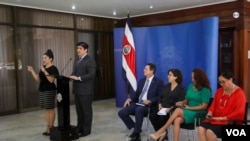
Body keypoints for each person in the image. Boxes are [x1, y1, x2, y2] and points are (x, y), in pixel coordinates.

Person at [150, 68, 211, 141]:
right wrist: (182, 103)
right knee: (177, 120)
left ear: (199, 78)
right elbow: (187, 99)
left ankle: (161, 131)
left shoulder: (205, 89)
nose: (192, 79)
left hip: (199, 112)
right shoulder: (190, 86)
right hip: (188, 109)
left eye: (194, 78)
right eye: (192, 77)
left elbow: (204, 106)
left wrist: (189, 108)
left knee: (178, 110)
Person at [118, 63, 164, 141]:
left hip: (149, 106)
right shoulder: (142, 80)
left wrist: (150, 100)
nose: (144, 70)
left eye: (146, 69)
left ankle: (136, 135)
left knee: (139, 110)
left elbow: (160, 96)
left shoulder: (159, 82)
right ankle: (137, 128)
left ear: (152, 71)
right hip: (138, 103)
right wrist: (130, 99)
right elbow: (136, 94)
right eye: (144, 69)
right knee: (121, 112)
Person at [197, 70, 246, 141]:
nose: (221, 84)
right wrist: (210, 113)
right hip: (215, 119)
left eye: (223, 82)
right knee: (200, 128)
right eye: (220, 82)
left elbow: (239, 112)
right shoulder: (219, 91)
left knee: (210, 132)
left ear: (230, 80)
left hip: (229, 121)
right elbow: (213, 106)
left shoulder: (239, 93)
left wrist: (223, 118)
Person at [27, 49, 59, 136]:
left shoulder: (53, 68)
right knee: (46, 109)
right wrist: (32, 70)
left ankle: (51, 127)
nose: (43, 59)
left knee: (50, 109)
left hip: (50, 90)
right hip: (42, 90)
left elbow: (51, 80)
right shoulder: (43, 68)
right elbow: (38, 78)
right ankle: (47, 126)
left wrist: (44, 71)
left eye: (45, 58)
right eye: (43, 58)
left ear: (51, 59)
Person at [68, 41, 96, 137]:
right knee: (79, 111)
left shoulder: (90, 60)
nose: (78, 50)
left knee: (86, 111)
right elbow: (74, 72)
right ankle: (79, 128)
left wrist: (79, 78)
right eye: (77, 48)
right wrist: (70, 76)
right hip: (77, 90)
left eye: (80, 48)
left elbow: (92, 74)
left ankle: (86, 130)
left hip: (86, 90)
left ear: (86, 50)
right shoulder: (76, 60)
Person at [149, 68, 186, 140]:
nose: (168, 76)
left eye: (170, 75)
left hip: (172, 109)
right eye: (168, 75)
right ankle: (163, 133)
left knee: (161, 118)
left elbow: (180, 102)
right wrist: (159, 104)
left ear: (176, 77)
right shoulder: (166, 86)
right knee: (152, 116)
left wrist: (171, 108)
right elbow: (160, 97)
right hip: (162, 107)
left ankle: (161, 134)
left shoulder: (181, 89)